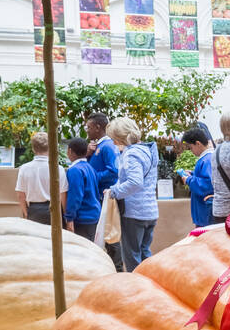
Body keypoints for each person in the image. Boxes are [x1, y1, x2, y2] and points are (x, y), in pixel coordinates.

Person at [105, 117, 159, 272]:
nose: (114, 143)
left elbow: (135, 182)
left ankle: (137, 290)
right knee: (144, 253)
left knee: (132, 257)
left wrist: (114, 192)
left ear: (121, 138)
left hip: (134, 212)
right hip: (149, 211)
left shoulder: (131, 154)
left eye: (114, 139)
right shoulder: (148, 151)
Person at [86, 112, 123, 270]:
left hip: (106, 196)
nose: (86, 130)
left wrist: (92, 177)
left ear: (97, 127)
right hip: (99, 195)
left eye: (88, 127)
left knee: (110, 233)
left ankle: (117, 268)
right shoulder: (97, 146)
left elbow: (113, 171)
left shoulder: (108, 146)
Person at [15, 131, 62, 225]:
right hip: (54, 210)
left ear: (33, 149)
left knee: (34, 239)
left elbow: (20, 195)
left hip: (33, 210)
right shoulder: (57, 168)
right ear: (50, 147)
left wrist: (26, 213)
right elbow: (62, 194)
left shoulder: (24, 168)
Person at [63, 137, 101, 240]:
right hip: (93, 215)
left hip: (82, 218)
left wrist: (69, 218)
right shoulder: (90, 168)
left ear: (70, 151)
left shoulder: (75, 170)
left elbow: (75, 196)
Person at [180, 128, 216, 226]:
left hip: (206, 211)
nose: (191, 151)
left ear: (198, 144)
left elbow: (207, 184)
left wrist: (189, 179)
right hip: (205, 210)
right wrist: (192, 174)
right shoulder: (207, 158)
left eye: (191, 147)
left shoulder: (207, 159)